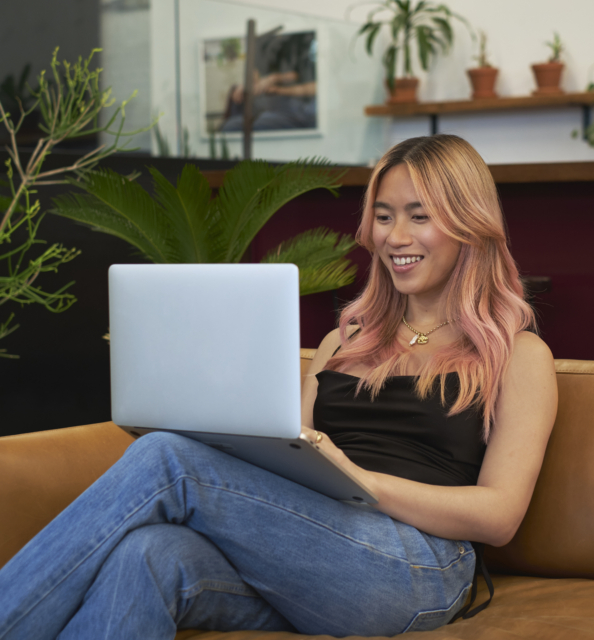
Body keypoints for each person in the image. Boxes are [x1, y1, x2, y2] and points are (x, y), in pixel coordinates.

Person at [0, 135, 557, 639]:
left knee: (166, 459)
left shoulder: (518, 356)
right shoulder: (341, 344)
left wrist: (362, 481)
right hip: (312, 554)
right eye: (384, 217)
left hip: (416, 567)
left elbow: (500, 515)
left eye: (420, 216)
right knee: (148, 554)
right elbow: (289, 462)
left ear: (468, 222)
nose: (396, 237)